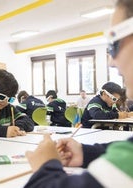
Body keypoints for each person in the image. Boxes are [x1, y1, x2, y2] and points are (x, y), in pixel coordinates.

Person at [24, 1, 133, 187]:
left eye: (114, 41)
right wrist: (86, 152)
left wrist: (45, 167)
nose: (111, 62)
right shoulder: (94, 102)